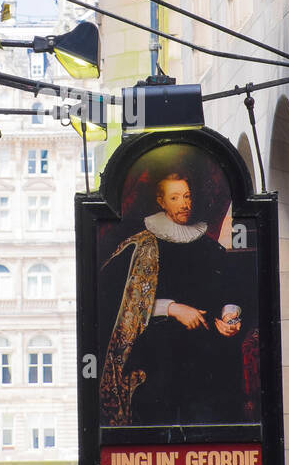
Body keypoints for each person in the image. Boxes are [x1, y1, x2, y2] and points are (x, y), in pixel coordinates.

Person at [99, 173, 258, 426]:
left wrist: (230, 314)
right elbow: (118, 304)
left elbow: (231, 289)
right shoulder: (140, 247)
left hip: (207, 359)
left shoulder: (208, 247)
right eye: (175, 198)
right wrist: (172, 309)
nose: (184, 204)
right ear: (161, 202)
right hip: (160, 359)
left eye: (187, 196)